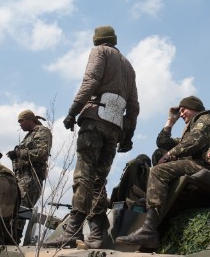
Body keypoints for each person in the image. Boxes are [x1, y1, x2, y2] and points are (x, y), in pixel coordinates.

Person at [43, 25, 139, 249]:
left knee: (84, 175)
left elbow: (91, 81)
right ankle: (97, 232)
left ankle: (72, 230)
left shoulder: (100, 52)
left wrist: (72, 111)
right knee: (98, 181)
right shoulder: (129, 66)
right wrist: (128, 134)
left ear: (97, 40)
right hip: (115, 127)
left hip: (94, 120)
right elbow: (133, 105)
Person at [115, 95, 210, 249]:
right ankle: (154, 201)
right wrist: (170, 121)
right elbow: (163, 142)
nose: (181, 114)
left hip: (206, 167)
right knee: (158, 153)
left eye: (184, 110)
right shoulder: (191, 127)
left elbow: (195, 140)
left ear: (195, 107)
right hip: (194, 163)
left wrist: (170, 155)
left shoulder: (207, 119)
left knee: (158, 170)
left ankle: (149, 231)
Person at [6, 109, 53, 245]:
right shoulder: (30, 135)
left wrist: (19, 153)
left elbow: (42, 153)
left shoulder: (42, 132)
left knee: (21, 209)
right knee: (15, 208)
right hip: (22, 178)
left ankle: (14, 239)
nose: (20, 125)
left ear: (30, 120)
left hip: (31, 178)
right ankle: (11, 237)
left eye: (21, 121)